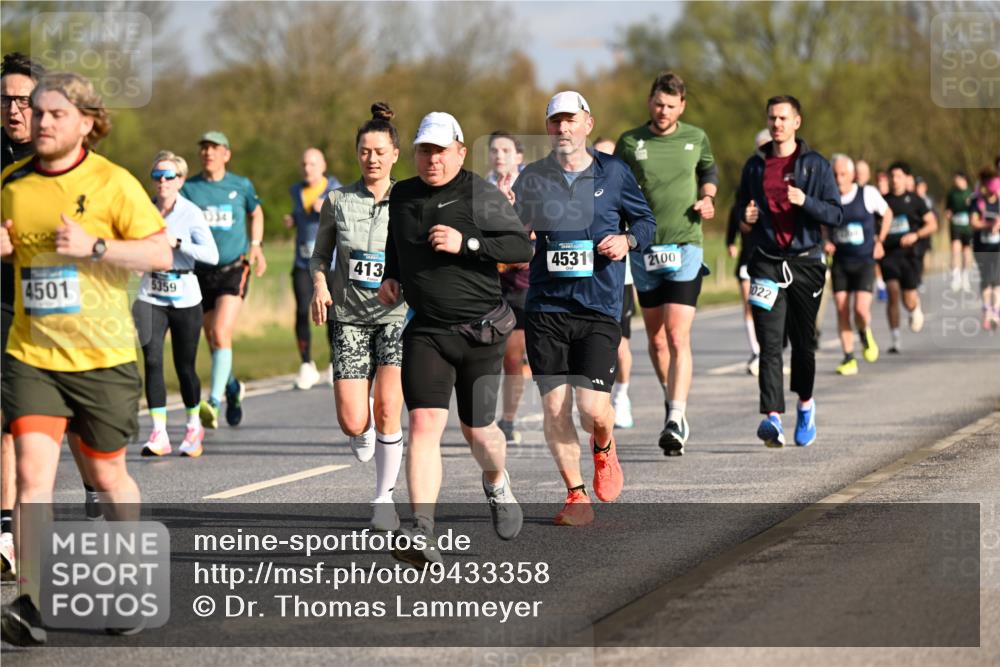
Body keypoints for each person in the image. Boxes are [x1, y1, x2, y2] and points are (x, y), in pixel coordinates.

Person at [0, 72, 172, 645]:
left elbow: (160, 253)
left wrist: (95, 247)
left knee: (106, 475)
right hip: (33, 354)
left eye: (56, 113)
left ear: (88, 123)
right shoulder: (13, 183)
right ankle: (31, 602)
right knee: (31, 478)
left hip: (102, 356)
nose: (41, 122)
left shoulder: (113, 182)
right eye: (38, 112)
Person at [380, 111, 532, 565]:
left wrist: (467, 243)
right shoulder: (402, 195)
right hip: (427, 330)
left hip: (480, 333)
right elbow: (396, 242)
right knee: (423, 425)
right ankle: (422, 529)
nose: (433, 159)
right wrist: (392, 276)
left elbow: (520, 247)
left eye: (441, 151)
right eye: (425, 150)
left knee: (479, 432)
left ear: (460, 153)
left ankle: (496, 483)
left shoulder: (479, 193)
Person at [505, 91, 656, 525]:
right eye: (556, 122)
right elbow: (516, 235)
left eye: (571, 120)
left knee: (592, 411)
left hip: (598, 306)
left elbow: (646, 222)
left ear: (588, 124)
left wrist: (627, 240)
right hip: (546, 306)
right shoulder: (532, 177)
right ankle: (576, 495)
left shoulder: (615, 172)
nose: (563, 128)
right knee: (555, 407)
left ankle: (604, 445)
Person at [311, 103, 406, 531]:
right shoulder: (337, 200)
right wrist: (320, 286)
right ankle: (361, 423)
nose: (372, 159)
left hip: (396, 317)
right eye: (365, 151)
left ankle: (384, 498)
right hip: (348, 317)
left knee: (389, 408)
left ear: (395, 155)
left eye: (380, 152)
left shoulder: (409, 202)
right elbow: (320, 256)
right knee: (354, 421)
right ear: (356, 154)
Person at [614, 72, 718, 455]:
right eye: (658, 104)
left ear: (682, 106)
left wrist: (708, 197)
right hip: (644, 249)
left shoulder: (696, 137)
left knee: (676, 335)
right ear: (650, 102)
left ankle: (675, 417)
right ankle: (671, 396)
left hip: (686, 244)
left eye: (671, 106)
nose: (663, 111)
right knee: (656, 340)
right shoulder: (630, 142)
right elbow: (614, 186)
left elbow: (708, 170)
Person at [736, 95, 842, 448]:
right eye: (772, 118)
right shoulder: (755, 165)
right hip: (766, 261)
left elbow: (835, 214)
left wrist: (805, 202)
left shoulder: (815, 165)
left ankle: (806, 405)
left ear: (797, 122)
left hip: (805, 262)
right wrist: (746, 218)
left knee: (803, 344)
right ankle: (773, 418)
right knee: (769, 344)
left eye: (783, 118)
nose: (776, 124)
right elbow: (741, 209)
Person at [133, 151, 219, 457]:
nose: (163, 181)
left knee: (185, 366)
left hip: (185, 297)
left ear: (180, 180)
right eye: (157, 176)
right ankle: (158, 433)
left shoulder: (191, 213)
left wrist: (178, 243)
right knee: (152, 360)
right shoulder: (143, 210)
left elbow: (212, 255)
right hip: (150, 295)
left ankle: (194, 426)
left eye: (169, 176)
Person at [181, 131, 267, 428]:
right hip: (199, 272)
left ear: (226, 154)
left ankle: (214, 403)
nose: (208, 153)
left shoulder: (240, 185)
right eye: (204, 148)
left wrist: (256, 246)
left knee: (220, 331)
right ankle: (231, 387)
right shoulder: (188, 188)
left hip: (233, 267)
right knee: (213, 339)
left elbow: (257, 213)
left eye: (214, 148)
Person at [0, 51, 45, 583]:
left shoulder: (61, 155)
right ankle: (8, 536)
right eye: (5, 100)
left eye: (23, 100)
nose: (13, 109)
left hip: (57, 308)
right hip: (3, 302)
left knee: (68, 430)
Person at [825, 154, 891, 375]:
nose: (839, 179)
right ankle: (848, 358)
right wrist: (826, 241)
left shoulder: (867, 194)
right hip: (840, 263)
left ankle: (864, 332)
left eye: (843, 174)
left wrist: (880, 241)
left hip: (864, 261)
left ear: (852, 175)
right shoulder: (829, 198)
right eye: (835, 174)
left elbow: (888, 213)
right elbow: (823, 224)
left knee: (860, 310)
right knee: (842, 309)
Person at [486, 131, 530, 444]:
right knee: (485, 355)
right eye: (494, 150)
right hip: (486, 285)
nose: (499, 155)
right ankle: (482, 418)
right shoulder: (479, 190)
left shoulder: (533, 189)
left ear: (519, 156)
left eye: (506, 150)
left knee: (513, 357)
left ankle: (509, 419)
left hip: (522, 286)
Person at [285, 148, 340, 389]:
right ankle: (307, 365)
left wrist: (328, 208)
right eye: (305, 164)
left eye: (313, 164)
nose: (308, 169)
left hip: (331, 265)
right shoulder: (296, 190)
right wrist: (293, 218)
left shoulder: (336, 190)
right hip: (303, 263)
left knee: (331, 314)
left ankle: (334, 363)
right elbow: (301, 215)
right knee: (301, 312)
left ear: (323, 166)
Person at [594, 136, 636, 428]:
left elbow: (643, 223)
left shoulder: (624, 182)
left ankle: (621, 396)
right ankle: (598, 400)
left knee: (620, 344)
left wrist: (625, 240)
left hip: (621, 277)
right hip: (587, 278)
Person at [727, 129, 772, 376]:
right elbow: (736, 216)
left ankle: (771, 351)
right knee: (750, 304)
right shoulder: (749, 174)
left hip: (775, 256)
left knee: (771, 307)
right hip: (749, 255)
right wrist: (731, 241)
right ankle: (756, 351)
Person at [880, 162, 937, 353]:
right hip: (889, 255)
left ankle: (914, 307)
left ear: (906, 178)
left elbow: (932, 224)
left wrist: (916, 235)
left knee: (908, 299)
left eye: (898, 176)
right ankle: (895, 338)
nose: (895, 180)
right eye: (892, 176)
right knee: (892, 292)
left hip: (910, 256)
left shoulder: (915, 200)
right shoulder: (883, 201)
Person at [970, 167, 1000, 329]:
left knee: (997, 278)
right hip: (981, 246)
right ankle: (987, 310)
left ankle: (996, 310)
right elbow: (974, 222)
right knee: (986, 278)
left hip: (998, 247)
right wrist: (989, 225)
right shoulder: (978, 202)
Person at [945, 171, 975, 293]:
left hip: (968, 227)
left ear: (964, 179)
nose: (956, 182)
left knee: (967, 252)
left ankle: (965, 276)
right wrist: (948, 213)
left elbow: (976, 210)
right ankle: (956, 277)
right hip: (955, 226)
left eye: (957, 179)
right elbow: (948, 208)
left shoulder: (971, 193)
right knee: (955, 249)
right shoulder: (952, 193)